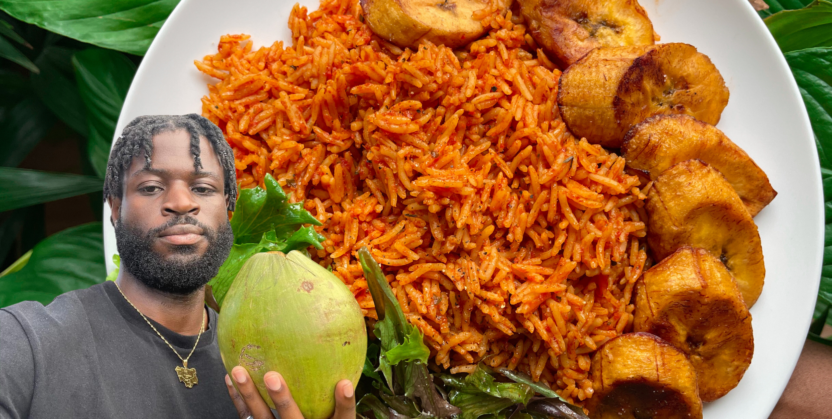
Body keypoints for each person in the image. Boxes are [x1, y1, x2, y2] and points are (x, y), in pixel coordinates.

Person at [0, 114, 355, 419]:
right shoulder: (27, 342)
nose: (182, 203)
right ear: (114, 207)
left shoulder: (269, 363)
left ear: (228, 211)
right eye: (152, 187)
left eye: (203, 188)